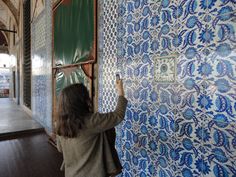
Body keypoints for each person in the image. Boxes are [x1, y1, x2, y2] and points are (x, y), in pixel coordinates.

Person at [56, 80, 127, 177]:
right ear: (81, 101)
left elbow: (60, 149)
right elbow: (118, 115)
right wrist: (120, 91)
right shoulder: (91, 121)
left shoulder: (60, 124)